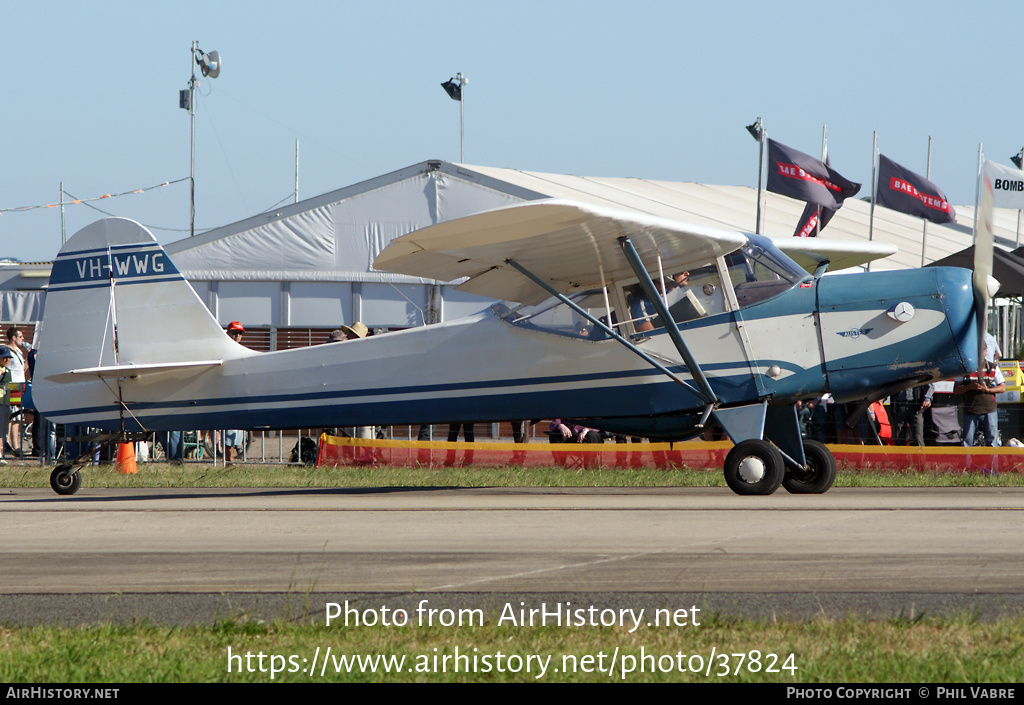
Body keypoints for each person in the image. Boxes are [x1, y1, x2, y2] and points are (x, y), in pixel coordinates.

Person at [954, 356, 1005, 447]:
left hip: (989, 410)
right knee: (967, 442)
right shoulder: (964, 367)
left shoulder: (993, 367)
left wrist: (988, 390)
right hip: (970, 410)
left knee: (992, 442)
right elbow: (956, 389)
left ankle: (992, 461)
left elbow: (1002, 387)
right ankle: (967, 461)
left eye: (982, 349)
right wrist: (970, 386)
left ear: (985, 351)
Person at [0, 346, 11, 465]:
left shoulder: (8, 371)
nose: (7, 360)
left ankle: (2, 453)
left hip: (6, 402)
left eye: (8, 358)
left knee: (4, 430)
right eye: (4, 357)